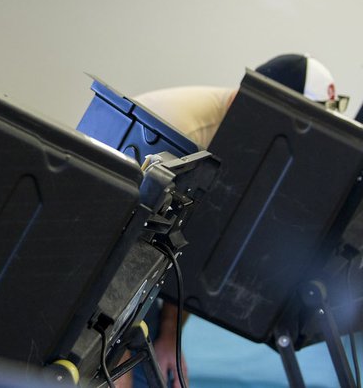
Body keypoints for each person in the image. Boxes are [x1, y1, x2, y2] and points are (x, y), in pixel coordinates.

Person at [118, 53, 346, 388]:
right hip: (96, 268)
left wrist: (169, 335)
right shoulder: (183, 135)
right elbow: (109, 263)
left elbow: (193, 247)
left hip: (144, 267)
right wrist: (114, 357)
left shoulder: (250, 136)